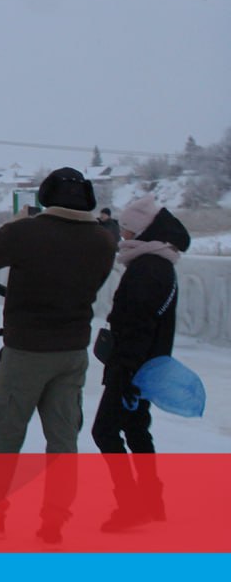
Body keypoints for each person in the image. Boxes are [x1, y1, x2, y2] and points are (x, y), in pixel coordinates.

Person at [0, 167, 118, 543]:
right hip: (73, 351)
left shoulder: (27, 232)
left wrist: (14, 224)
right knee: (63, 442)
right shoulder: (103, 241)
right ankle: (54, 523)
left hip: (26, 350)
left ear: (45, 196)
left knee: (6, 436)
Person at [91, 195, 190, 532]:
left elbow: (138, 325)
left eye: (129, 230)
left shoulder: (148, 269)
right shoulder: (159, 264)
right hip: (145, 365)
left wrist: (127, 371)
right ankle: (152, 502)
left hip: (131, 367)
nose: (124, 236)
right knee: (135, 430)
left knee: (104, 431)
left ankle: (131, 505)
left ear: (145, 231)